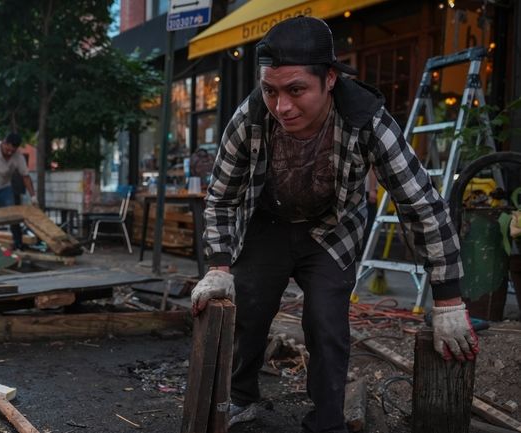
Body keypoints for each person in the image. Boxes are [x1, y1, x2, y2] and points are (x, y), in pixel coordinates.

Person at [191, 16, 478, 432]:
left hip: (331, 230)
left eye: (296, 90)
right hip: (267, 224)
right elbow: (221, 196)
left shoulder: (368, 120)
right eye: (271, 90)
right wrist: (218, 266)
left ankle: (325, 421)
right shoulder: (250, 117)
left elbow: (420, 203)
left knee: (326, 324)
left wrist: (449, 298)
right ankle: (242, 399)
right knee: (249, 310)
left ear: (329, 79)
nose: (282, 106)